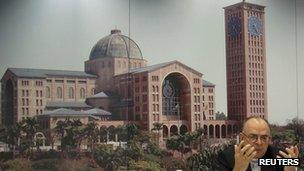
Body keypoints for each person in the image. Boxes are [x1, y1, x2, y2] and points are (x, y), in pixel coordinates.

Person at [217, 116, 299, 171]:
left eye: (264, 138)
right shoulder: (226, 157)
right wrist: (238, 169)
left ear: (269, 139)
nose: (259, 142)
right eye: (253, 137)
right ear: (242, 138)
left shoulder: (281, 157)